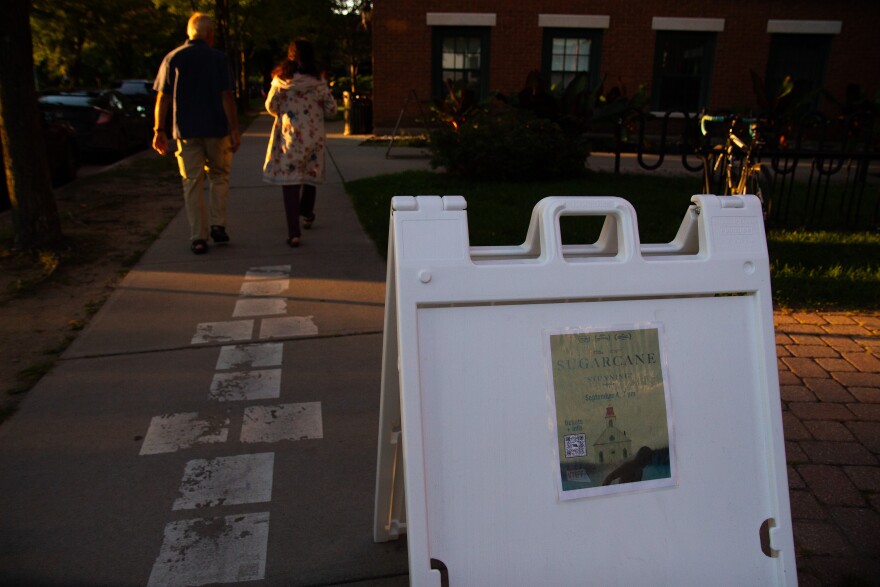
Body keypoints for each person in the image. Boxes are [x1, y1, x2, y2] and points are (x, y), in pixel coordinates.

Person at [152, 12, 240, 255]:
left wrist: (159, 130)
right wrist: (234, 129)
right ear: (210, 35)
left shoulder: (173, 58)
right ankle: (218, 224)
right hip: (217, 129)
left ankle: (197, 237)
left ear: (188, 34)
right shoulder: (219, 59)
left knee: (191, 182)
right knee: (219, 176)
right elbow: (227, 96)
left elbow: (163, 97)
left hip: (186, 131)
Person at [262, 40, 337, 248]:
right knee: (311, 175)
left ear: (290, 56)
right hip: (313, 137)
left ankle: (294, 232)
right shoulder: (318, 82)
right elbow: (332, 110)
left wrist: (285, 111)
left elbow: (271, 106)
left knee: (290, 182)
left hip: (289, 138)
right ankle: (307, 211)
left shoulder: (280, 81)